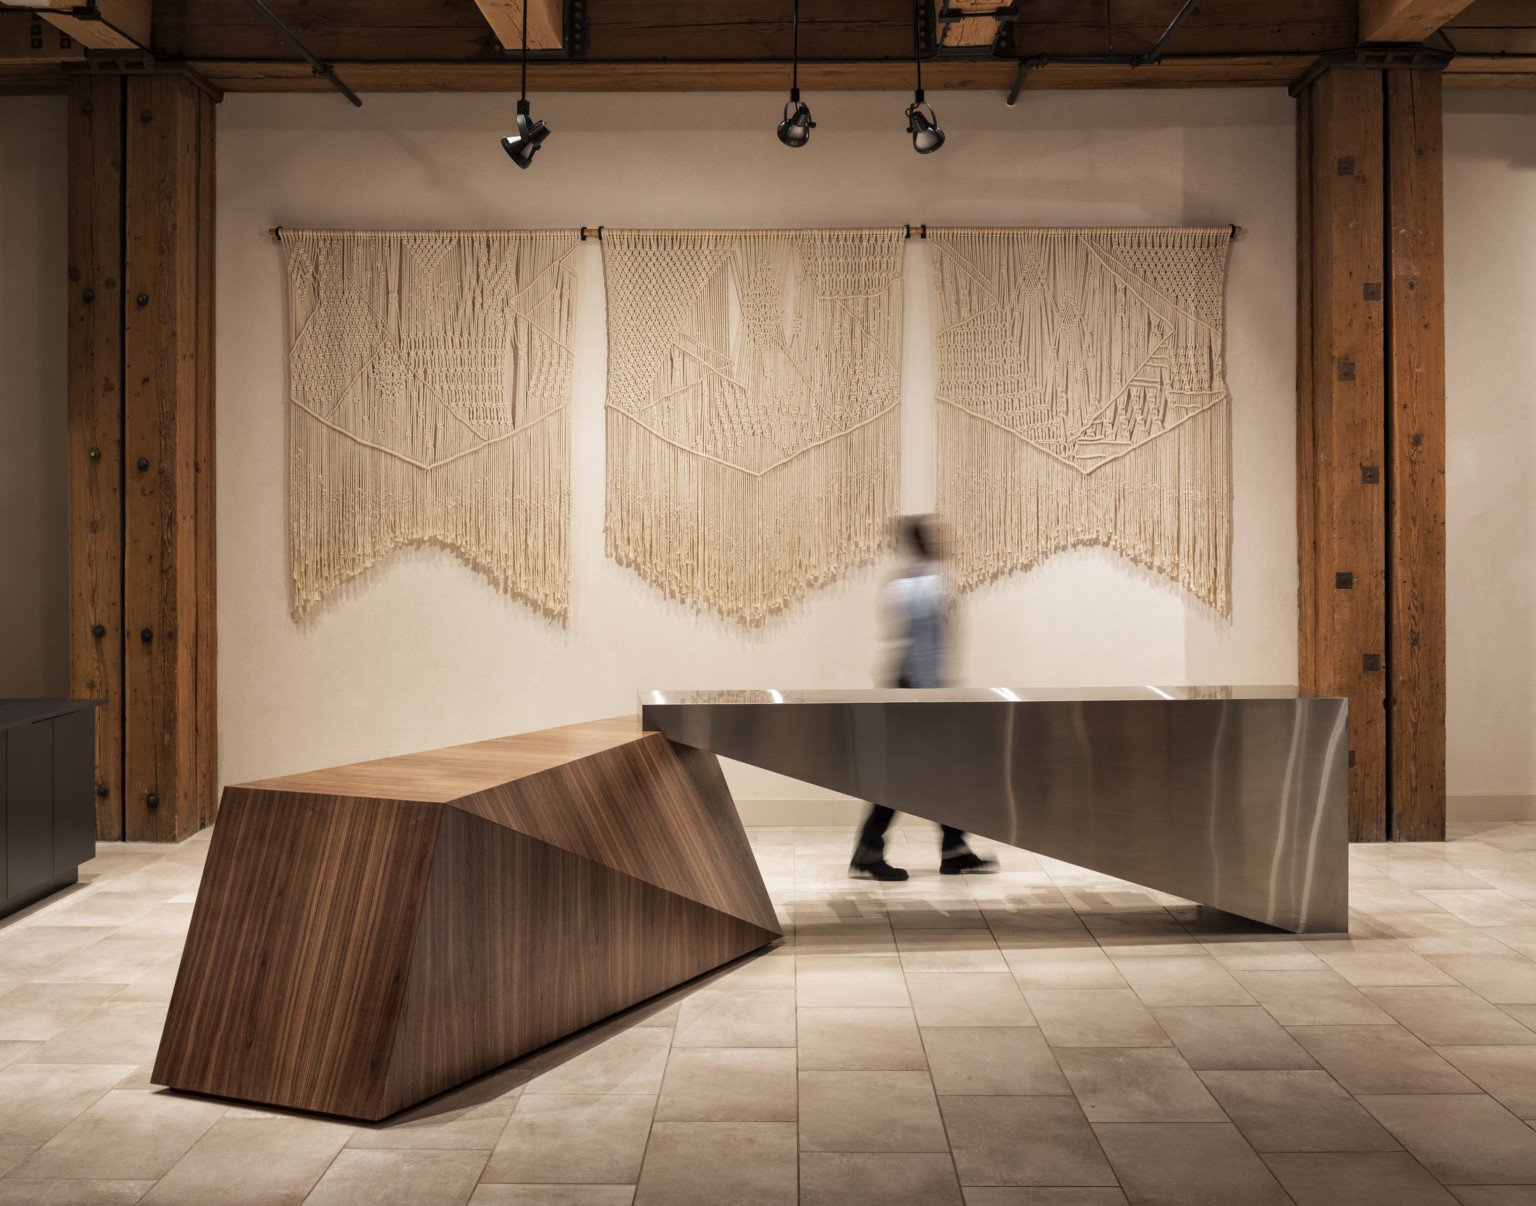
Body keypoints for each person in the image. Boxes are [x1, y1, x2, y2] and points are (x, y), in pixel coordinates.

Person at [849, 515, 997, 881]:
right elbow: (925, 647)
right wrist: (937, 696)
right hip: (920, 689)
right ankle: (870, 850)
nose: (946, 539)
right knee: (909, 773)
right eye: (938, 534)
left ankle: (953, 847)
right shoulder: (927, 585)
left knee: (941, 771)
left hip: (915, 686)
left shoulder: (909, 581)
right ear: (923, 540)